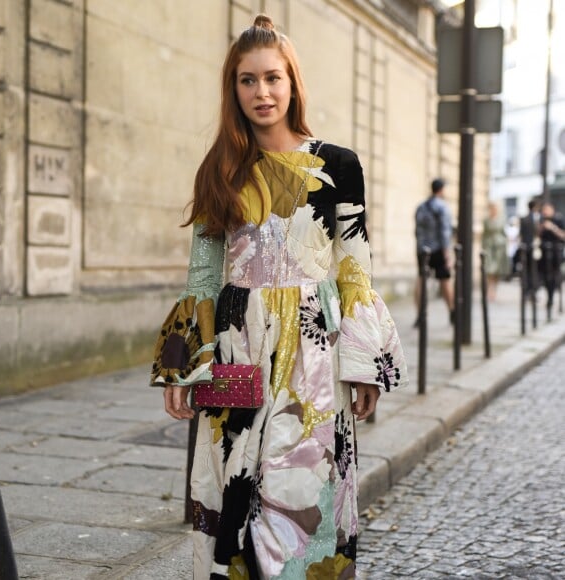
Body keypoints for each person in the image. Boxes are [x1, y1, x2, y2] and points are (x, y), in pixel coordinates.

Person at [149, 15, 408, 579]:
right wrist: (181, 368)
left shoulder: (339, 166)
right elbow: (202, 277)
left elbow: (354, 271)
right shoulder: (220, 169)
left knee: (306, 489)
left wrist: (362, 365)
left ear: (292, 82)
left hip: (315, 350)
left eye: (272, 78)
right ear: (233, 89)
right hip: (239, 346)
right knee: (235, 490)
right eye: (247, 80)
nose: (261, 92)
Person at [414, 178, 455, 326]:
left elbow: (417, 230)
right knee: (445, 280)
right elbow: (445, 232)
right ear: (441, 189)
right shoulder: (442, 207)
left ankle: (420, 315)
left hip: (423, 250)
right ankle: (452, 311)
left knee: (421, 280)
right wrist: (447, 254)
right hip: (438, 249)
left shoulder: (421, 207)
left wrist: (420, 248)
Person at [538, 201, 565, 318]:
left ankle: (552, 298)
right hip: (543, 253)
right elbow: (537, 235)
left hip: (556, 252)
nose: (545, 212)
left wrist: (553, 227)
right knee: (544, 276)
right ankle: (548, 296)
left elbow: (563, 235)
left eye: (547, 209)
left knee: (554, 276)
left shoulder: (559, 219)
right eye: (544, 210)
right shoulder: (541, 220)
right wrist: (541, 228)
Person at [481, 202, 509, 301]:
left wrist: (506, 246)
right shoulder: (486, 220)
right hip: (489, 246)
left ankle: (494, 290)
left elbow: (504, 233)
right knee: (489, 269)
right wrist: (483, 247)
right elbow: (484, 234)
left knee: (497, 270)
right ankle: (489, 290)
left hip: (499, 247)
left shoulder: (502, 219)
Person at [519, 198, 541, 293]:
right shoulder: (537, 218)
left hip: (527, 247)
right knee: (534, 269)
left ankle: (528, 290)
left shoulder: (524, 219)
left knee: (528, 269)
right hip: (534, 248)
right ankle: (532, 289)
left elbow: (521, 234)